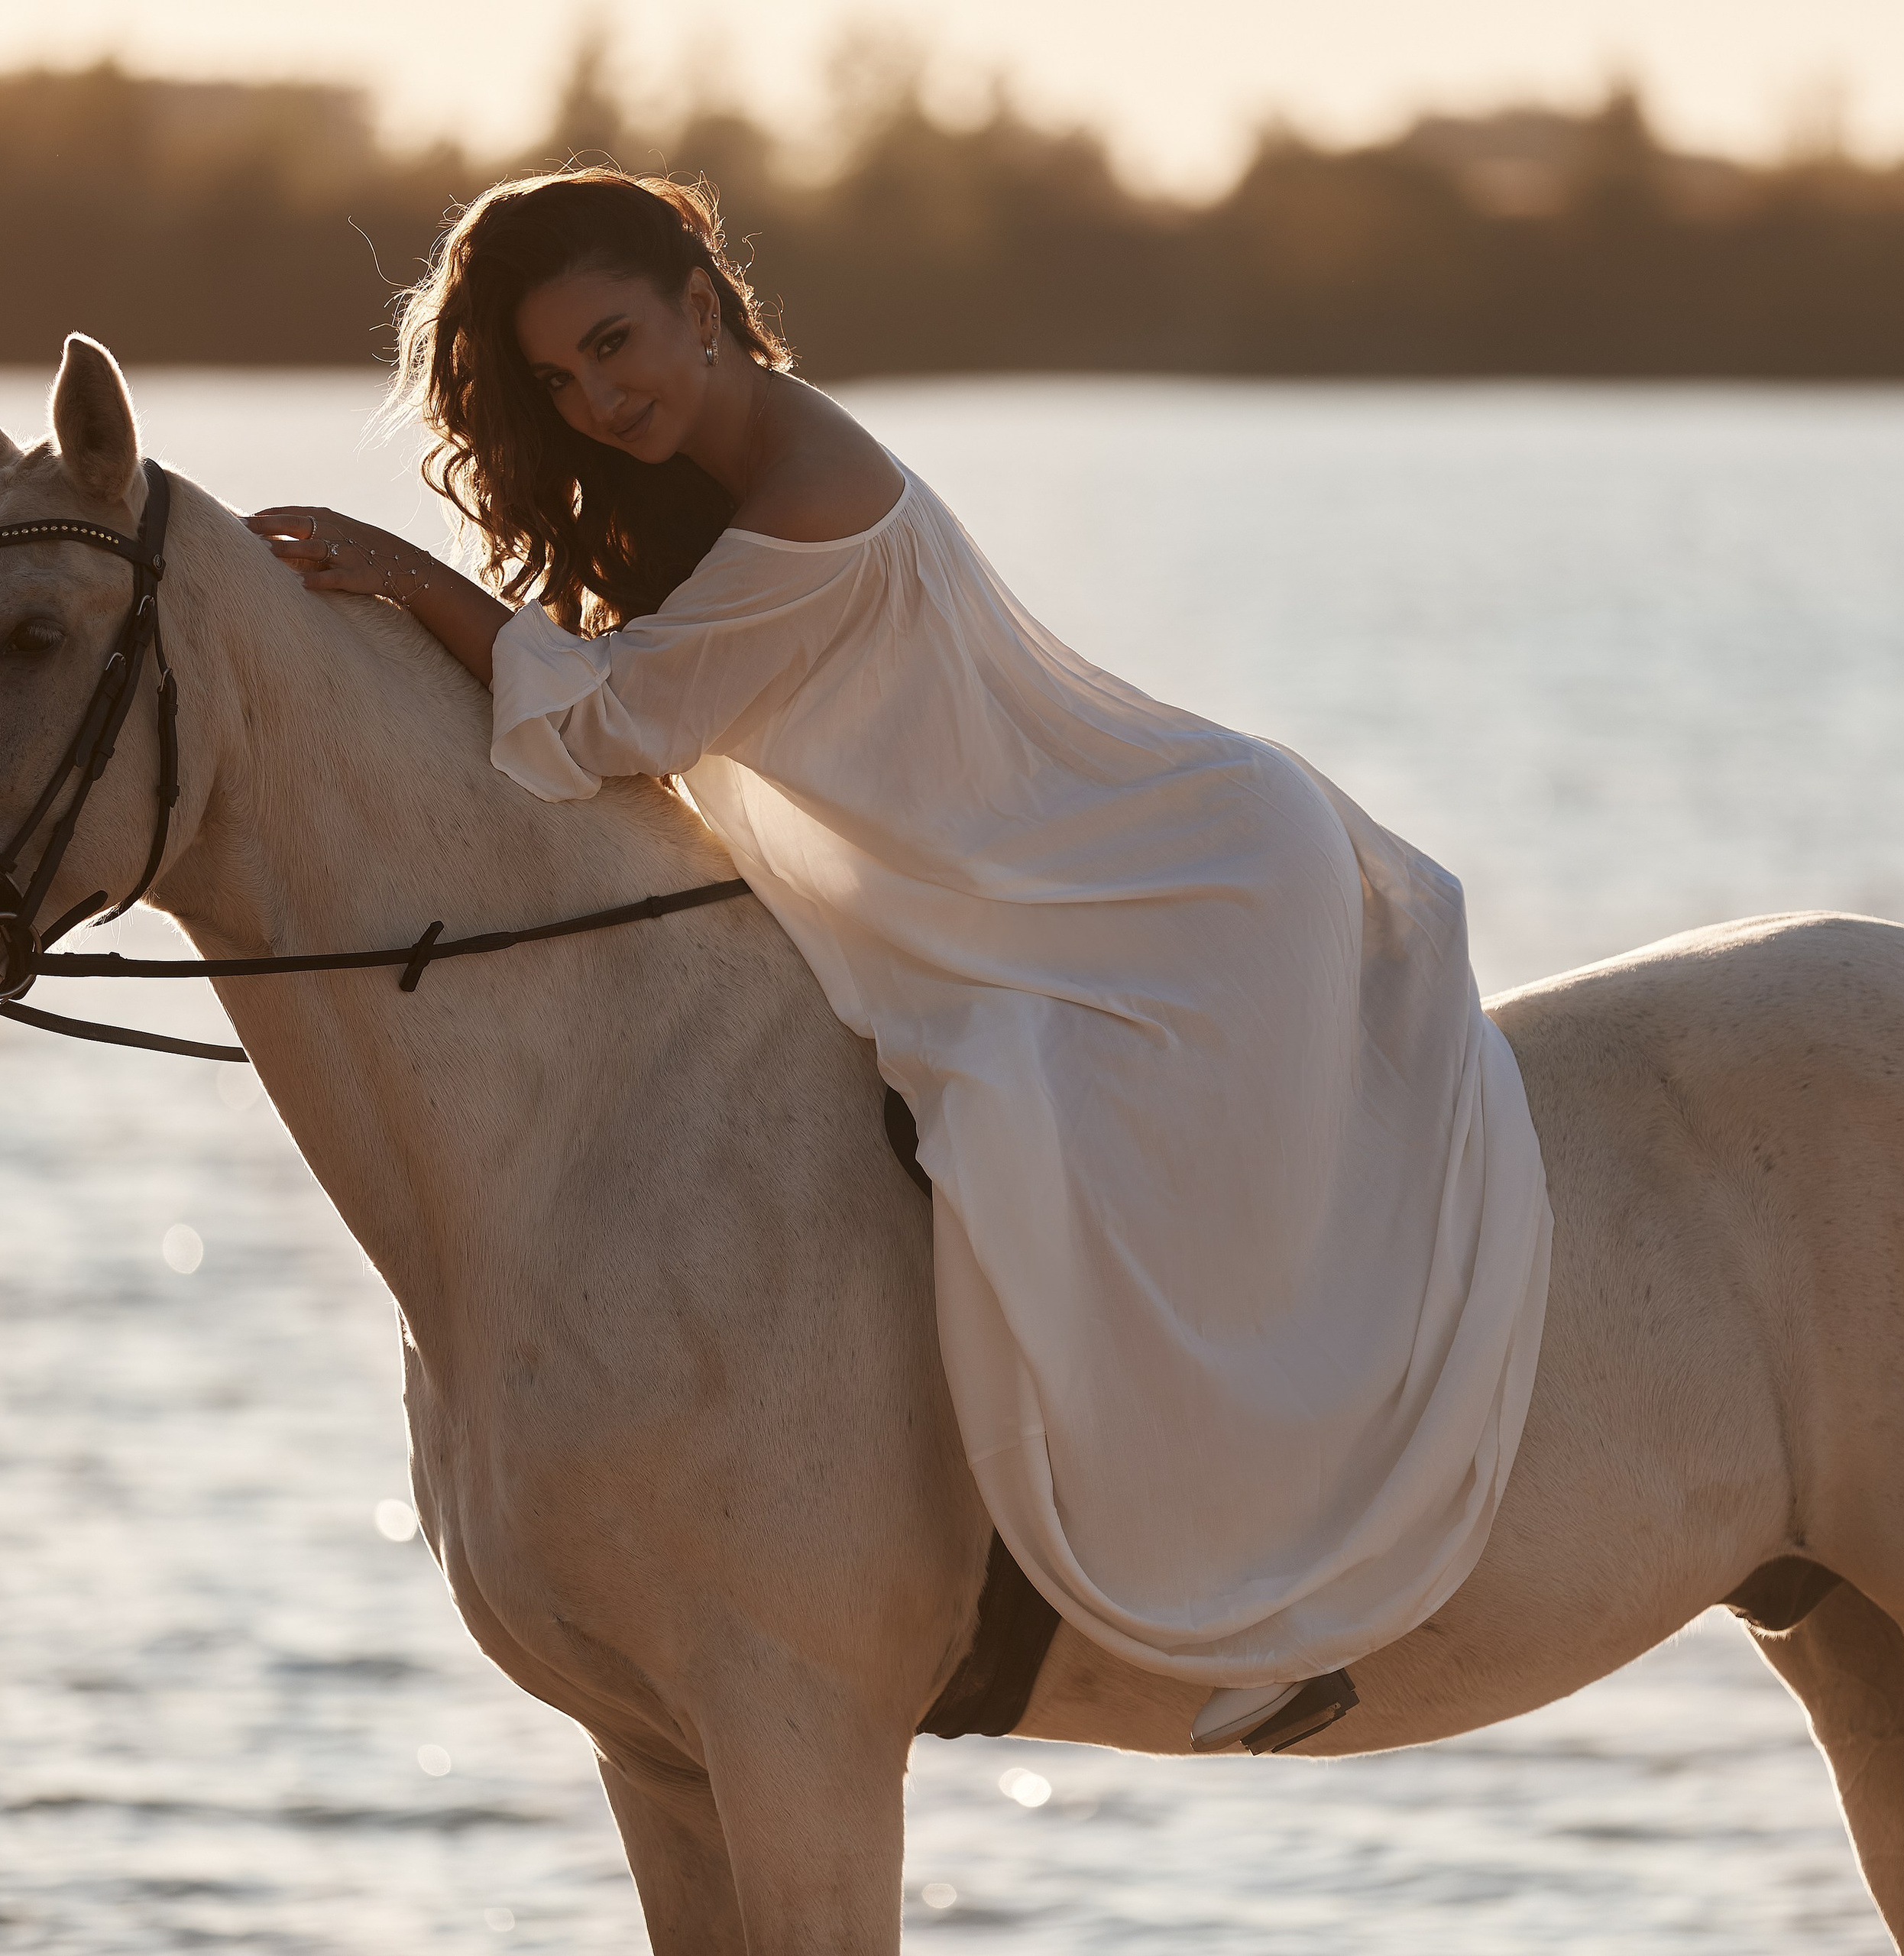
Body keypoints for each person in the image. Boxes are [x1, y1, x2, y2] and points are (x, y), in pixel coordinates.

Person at [249, 168, 1553, 1754]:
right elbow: (612, 709)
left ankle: (1262, 1593)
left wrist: (407, 579)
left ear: (702, 303)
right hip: (1003, 880)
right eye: (556, 377)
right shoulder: (722, 467)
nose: (598, 397)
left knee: (1041, 1142)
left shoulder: (807, 488)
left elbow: (610, 724)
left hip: (1166, 881)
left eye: (615, 342)